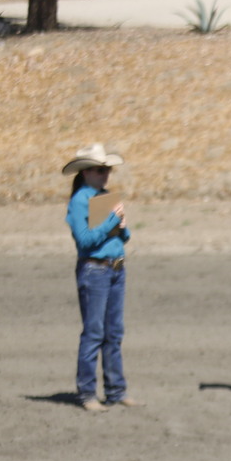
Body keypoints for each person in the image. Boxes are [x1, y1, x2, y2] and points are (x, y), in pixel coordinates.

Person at [62, 144, 140, 412]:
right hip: (94, 269)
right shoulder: (80, 200)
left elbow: (122, 237)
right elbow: (84, 240)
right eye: (100, 170)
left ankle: (116, 391)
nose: (106, 174)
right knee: (94, 333)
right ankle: (87, 393)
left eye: (107, 170)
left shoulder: (106, 198)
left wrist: (121, 226)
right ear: (86, 172)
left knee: (114, 332)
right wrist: (110, 222)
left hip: (116, 267)